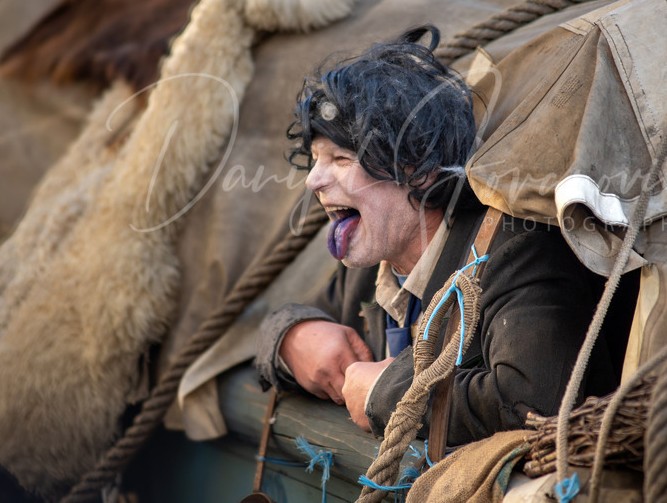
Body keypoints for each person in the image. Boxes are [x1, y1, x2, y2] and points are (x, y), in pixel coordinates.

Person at [255, 25, 634, 446]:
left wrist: (387, 395)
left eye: (341, 159)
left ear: (419, 169)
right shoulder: (371, 261)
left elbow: (534, 403)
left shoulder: (518, 253)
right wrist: (293, 336)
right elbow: (288, 323)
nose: (313, 180)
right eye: (315, 159)